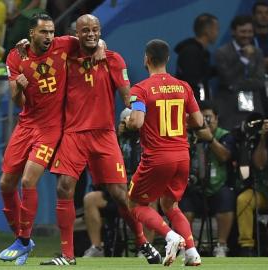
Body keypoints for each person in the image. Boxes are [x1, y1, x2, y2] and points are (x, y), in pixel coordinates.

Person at [40, 15, 161, 266]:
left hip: (104, 135)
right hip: (73, 134)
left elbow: (129, 96)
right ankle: (67, 255)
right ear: (77, 33)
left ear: (100, 31)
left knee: (119, 193)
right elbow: (44, 42)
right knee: (64, 187)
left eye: (95, 30)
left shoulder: (113, 60)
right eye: (85, 30)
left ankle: (142, 242)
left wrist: (140, 110)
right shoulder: (65, 55)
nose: (91, 35)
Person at [0, 13, 104, 266]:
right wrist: (20, 87)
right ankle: (21, 239)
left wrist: (101, 45)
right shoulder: (15, 56)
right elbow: (17, 100)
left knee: (28, 180)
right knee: (5, 184)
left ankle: (23, 241)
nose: (49, 37)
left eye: (51, 32)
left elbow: (91, 40)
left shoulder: (64, 44)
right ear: (31, 33)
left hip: (51, 127)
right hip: (26, 125)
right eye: (44, 32)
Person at [126, 39, 204, 266]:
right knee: (171, 205)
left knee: (135, 205)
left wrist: (129, 120)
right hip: (182, 156)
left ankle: (170, 237)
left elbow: (137, 122)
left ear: (146, 59)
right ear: (168, 59)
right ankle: (191, 252)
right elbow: (198, 120)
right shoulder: (183, 86)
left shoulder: (139, 89)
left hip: (158, 157)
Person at [82, 108, 157, 258]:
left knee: (151, 201)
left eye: (133, 120)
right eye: (126, 120)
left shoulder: (149, 139)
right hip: (118, 190)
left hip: (141, 190)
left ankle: (146, 247)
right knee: (90, 199)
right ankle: (97, 248)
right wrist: (116, 136)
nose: (130, 123)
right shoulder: (114, 140)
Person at [179, 101, 236, 257]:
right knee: (183, 201)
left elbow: (225, 156)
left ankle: (221, 246)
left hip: (217, 188)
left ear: (217, 119)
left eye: (208, 118)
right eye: (201, 118)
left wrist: (210, 140)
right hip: (195, 188)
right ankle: (187, 246)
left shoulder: (225, 135)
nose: (204, 122)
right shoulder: (189, 134)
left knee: (226, 196)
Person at [214, 15, 265, 130]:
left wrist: (236, 85)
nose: (247, 35)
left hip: (254, 107)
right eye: (243, 31)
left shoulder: (257, 53)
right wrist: (244, 59)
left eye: (250, 31)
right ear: (233, 32)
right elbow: (227, 79)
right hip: (229, 108)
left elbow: (260, 82)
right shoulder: (222, 53)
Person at [236, 116, 268, 256]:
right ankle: (246, 246)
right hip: (264, 192)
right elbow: (259, 164)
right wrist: (263, 138)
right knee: (243, 200)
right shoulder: (258, 140)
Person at [175, 13, 219, 102]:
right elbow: (192, 82)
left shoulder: (201, 52)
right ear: (207, 30)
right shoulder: (191, 52)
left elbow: (202, 74)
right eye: (216, 29)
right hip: (193, 109)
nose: (217, 33)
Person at [252, 0, 268, 119]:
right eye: (259, 13)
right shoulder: (248, 38)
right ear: (254, 16)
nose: (263, 16)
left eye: (267, 13)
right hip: (256, 88)